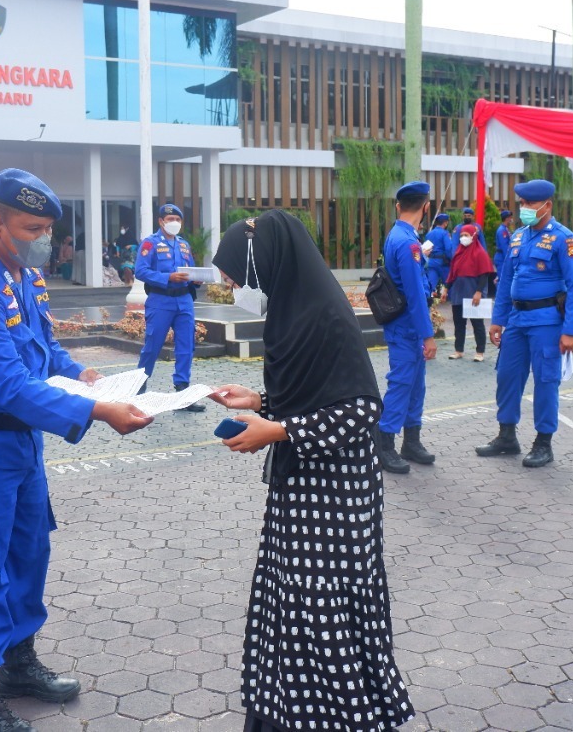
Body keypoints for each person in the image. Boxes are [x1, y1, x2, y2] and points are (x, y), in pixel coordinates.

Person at [0, 168, 152, 732]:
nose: (44, 238)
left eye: (48, 228)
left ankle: (19, 665)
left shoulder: (20, 277)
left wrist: (85, 375)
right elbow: (7, 385)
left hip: (20, 449)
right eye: (32, 227)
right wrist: (98, 411)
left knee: (29, 556)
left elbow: (44, 353)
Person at [208, 210, 415, 732]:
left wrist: (274, 430)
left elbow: (362, 408)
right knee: (292, 603)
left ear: (268, 263)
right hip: (301, 492)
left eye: (235, 274)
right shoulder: (293, 313)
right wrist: (262, 399)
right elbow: (315, 393)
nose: (232, 286)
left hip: (335, 500)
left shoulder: (325, 316)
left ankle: (339, 717)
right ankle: (285, 713)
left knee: (324, 609)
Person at [476, 180, 573, 468]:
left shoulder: (565, 239)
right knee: (507, 377)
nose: (523, 209)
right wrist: (498, 319)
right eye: (521, 204)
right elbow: (506, 281)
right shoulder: (519, 237)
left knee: (546, 380)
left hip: (547, 321)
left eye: (529, 204)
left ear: (546, 206)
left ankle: (543, 443)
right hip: (517, 319)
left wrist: (571, 330)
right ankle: (507, 436)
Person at [375, 181, 438, 475]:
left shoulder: (400, 235)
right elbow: (414, 294)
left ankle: (411, 441)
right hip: (407, 326)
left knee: (415, 385)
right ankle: (384, 444)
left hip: (405, 324)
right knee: (402, 383)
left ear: (400, 206)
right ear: (426, 207)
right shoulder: (409, 242)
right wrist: (428, 336)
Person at [134, 203, 204, 411]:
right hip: (161, 300)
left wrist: (197, 279)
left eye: (177, 220)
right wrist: (167, 277)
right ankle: (138, 388)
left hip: (184, 300)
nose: (174, 223)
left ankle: (182, 392)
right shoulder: (150, 243)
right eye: (170, 220)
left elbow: (190, 269)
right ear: (161, 222)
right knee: (152, 345)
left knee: (186, 346)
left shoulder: (184, 245)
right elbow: (141, 271)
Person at [446, 223, 496, 362]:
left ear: (474, 236)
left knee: (477, 324)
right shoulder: (458, 252)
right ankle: (458, 350)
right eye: (461, 235)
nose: (463, 238)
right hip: (458, 293)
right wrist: (446, 288)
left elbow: (484, 274)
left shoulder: (480, 253)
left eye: (466, 235)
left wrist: (479, 292)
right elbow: (452, 273)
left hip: (473, 293)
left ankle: (480, 352)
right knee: (458, 324)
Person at [424, 213, 453, 293]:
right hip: (443, 263)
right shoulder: (444, 233)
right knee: (449, 285)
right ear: (445, 223)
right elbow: (448, 248)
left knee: (430, 285)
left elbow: (425, 248)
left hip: (431, 262)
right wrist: (451, 259)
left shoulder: (429, 234)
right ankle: (450, 303)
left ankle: (429, 301)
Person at [493, 209, 514, 278]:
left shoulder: (506, 229)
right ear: (507, 218)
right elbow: (504, 246)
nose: (511, 219)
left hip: (502, 256)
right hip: (501, 257)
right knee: (502, 278)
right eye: (510, 217)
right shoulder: (502, 231)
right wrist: (508, 259)